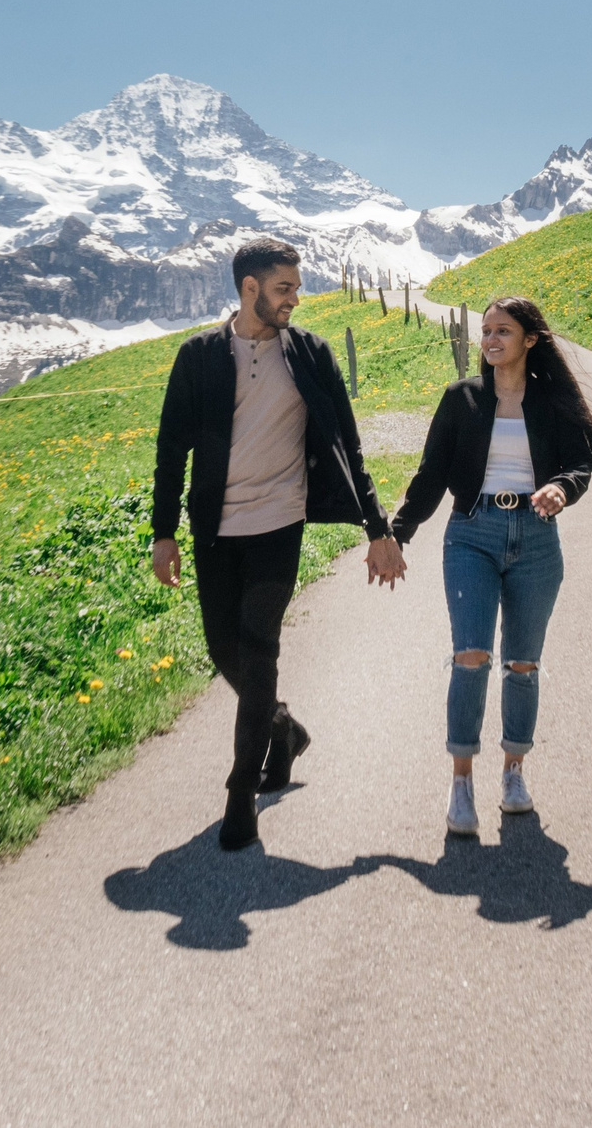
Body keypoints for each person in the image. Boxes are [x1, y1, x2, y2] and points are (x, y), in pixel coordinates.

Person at [152, 237, 406, 851]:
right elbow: (170, 451)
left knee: (259, 645)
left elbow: (349, 449)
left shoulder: (312, 355)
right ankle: (283, 728)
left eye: (295, 286)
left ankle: (241, 792)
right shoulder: (200, 357)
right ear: (249, 289)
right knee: (224, 650)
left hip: (279, 523)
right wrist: (163, 533)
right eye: (284, 288)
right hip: (215, 528)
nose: (296, 297)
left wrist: (379, 529)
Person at [389, 295, 592, 837]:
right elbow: (431, 476)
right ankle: (461, 781)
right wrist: (396, 533)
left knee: (522, 665)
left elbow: (581, 464)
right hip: (472, 534)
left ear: (529, 340)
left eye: (502, 332)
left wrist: (561, 488)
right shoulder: (462, 398)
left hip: (537, 540)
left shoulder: (552, 400)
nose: (490, 340)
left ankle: (514, 772)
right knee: (471, 657)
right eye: (486, 331)